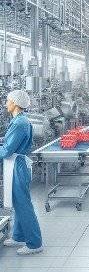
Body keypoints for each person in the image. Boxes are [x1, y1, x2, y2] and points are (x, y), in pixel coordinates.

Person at [2, 90, 43, 255]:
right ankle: (18, 236)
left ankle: (35, 243)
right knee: (18, 203)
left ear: (15, 103)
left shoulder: (20, 123)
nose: (6, 104)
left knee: (23, 205)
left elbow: (6, 151)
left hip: (17, 166)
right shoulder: (19, 120)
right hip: (16, 164)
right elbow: (9, 142)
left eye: (7, 101)